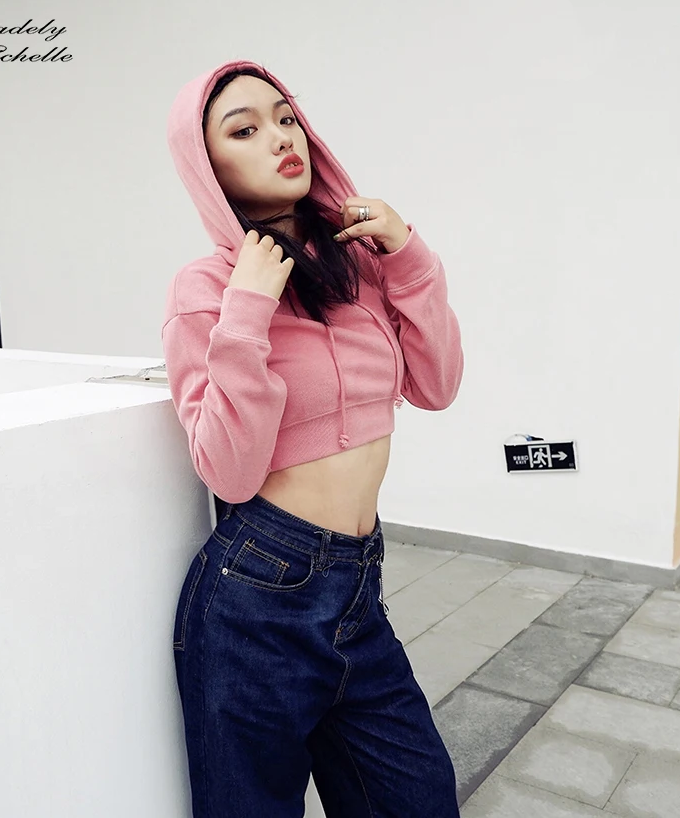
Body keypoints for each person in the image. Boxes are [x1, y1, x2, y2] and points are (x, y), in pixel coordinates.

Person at [162, 59, 465, 818]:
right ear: (208, 168)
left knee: (420, 798)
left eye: (286, 117)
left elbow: (436, 386)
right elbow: (228, 472)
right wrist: (246, 313)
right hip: (257, 595)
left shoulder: (359, 265)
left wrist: (410, 258)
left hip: (358, 583)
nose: (280, 138)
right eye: (244, 130)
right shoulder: (205, 288)